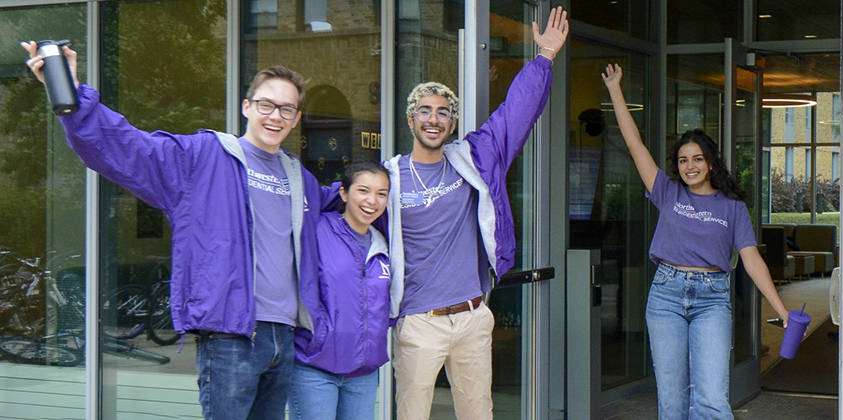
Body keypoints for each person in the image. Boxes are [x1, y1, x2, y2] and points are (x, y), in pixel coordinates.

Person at [23, 43, 329, 419]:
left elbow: (356, 203)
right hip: (232, 336)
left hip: (283, 336)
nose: (275, 116)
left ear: (296, 118)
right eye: (266, 104)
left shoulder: (302, 180)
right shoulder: (203, 156)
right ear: (247, 107)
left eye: (287, 109)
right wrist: (71, 93)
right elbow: (128, 147)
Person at [383, 8, 568, 420]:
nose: (434, 119)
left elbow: (515, 114)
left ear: (452, 124)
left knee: (477, 414)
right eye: (425, 111)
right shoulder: (390, 177)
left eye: (443, 112)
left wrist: (545, 59)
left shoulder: (474, 158)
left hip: (471, 317)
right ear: (411, 119)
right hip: (418, 322)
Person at [602, 64, 789, 419]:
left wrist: (780, 309)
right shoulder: (666, 192)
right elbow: (633, 142)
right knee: (671, 401)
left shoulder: (732, 207)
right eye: (683, 160)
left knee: (711, 401)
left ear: (711, 163)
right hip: (666, 295)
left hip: (712, 299)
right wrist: (615, 88)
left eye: (697, 159)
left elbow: (751, 260)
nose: (689, 167)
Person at [290, 160, 392, 420]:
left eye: (381, 194)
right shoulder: (318, 229)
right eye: (363, 190)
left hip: (363, 373)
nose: (372, 200)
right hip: (315, 366)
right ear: (343, 193)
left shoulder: (385, 245)